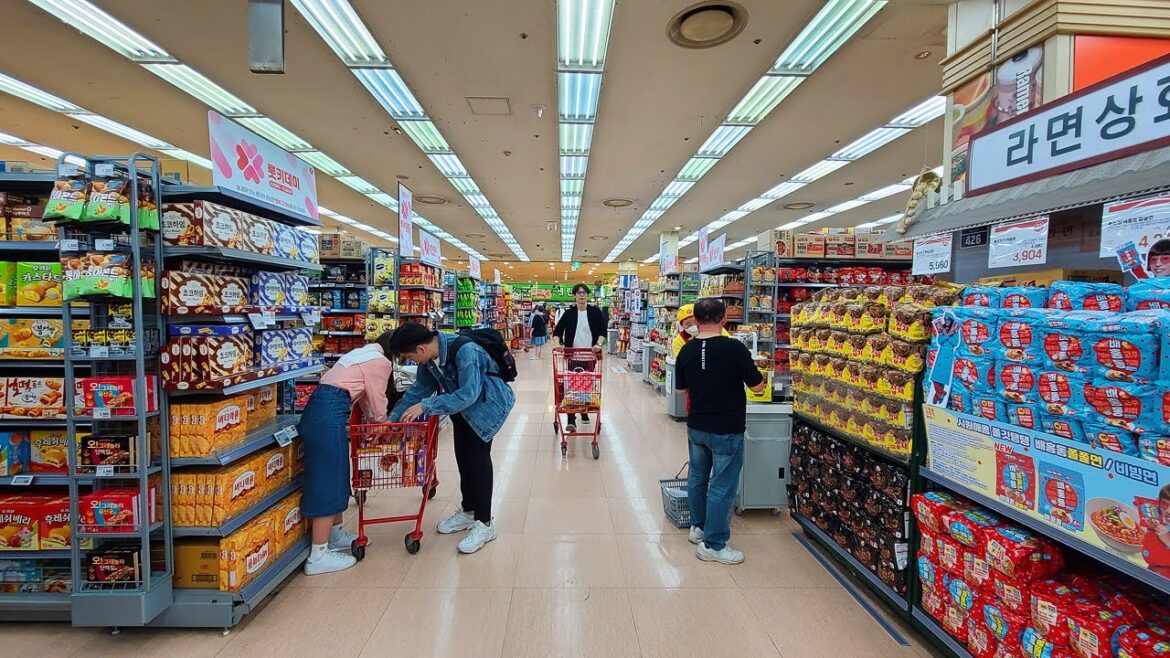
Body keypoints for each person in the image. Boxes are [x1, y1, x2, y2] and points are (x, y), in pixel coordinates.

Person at [388, 323, 517, 554]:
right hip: (459, 410)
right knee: (463, 459)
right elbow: (420, 389)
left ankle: (485, 523)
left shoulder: (466, 351)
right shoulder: (429, 359)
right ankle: (468, 511)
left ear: (420, 349)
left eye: (409, 357)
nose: (413, 362)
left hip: (486, 407)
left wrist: (426, 406)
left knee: (478, 460)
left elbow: (469, 393)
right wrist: (393, 419)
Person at [674, 299, 767, 565]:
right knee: (722, 486)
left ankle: (698, 527)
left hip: (697, 426)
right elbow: (758, 386)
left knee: (697, 477)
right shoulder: (735, 349)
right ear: (724, 319)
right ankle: (713, 544)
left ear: (696, 320)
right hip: (727, 427)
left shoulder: (687, 351)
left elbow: (681, 391)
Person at [298, 333, 394, 576]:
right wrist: (382, 424)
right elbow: (377, 399)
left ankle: (335, 534)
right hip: (329, 415)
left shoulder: (358, 354)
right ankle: (318, 555)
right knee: (328, 480)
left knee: (338, 472)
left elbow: (364, 399)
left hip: (322, 410)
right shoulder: (381, 362)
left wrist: (373, 422)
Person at [553, 283, 607, 432]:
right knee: (572, 388)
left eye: (584, 292)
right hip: (572, 356)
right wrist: (558, 344)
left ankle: (584, 411)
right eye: (578, 293)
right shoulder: (569, 313)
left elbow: (603, 331)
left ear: (587, 295)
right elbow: (557, 331)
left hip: (590, 356)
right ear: (575, 296)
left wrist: (598, 344)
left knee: (587, 386)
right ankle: (571, 419)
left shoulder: (596, 312)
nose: (581, 295)